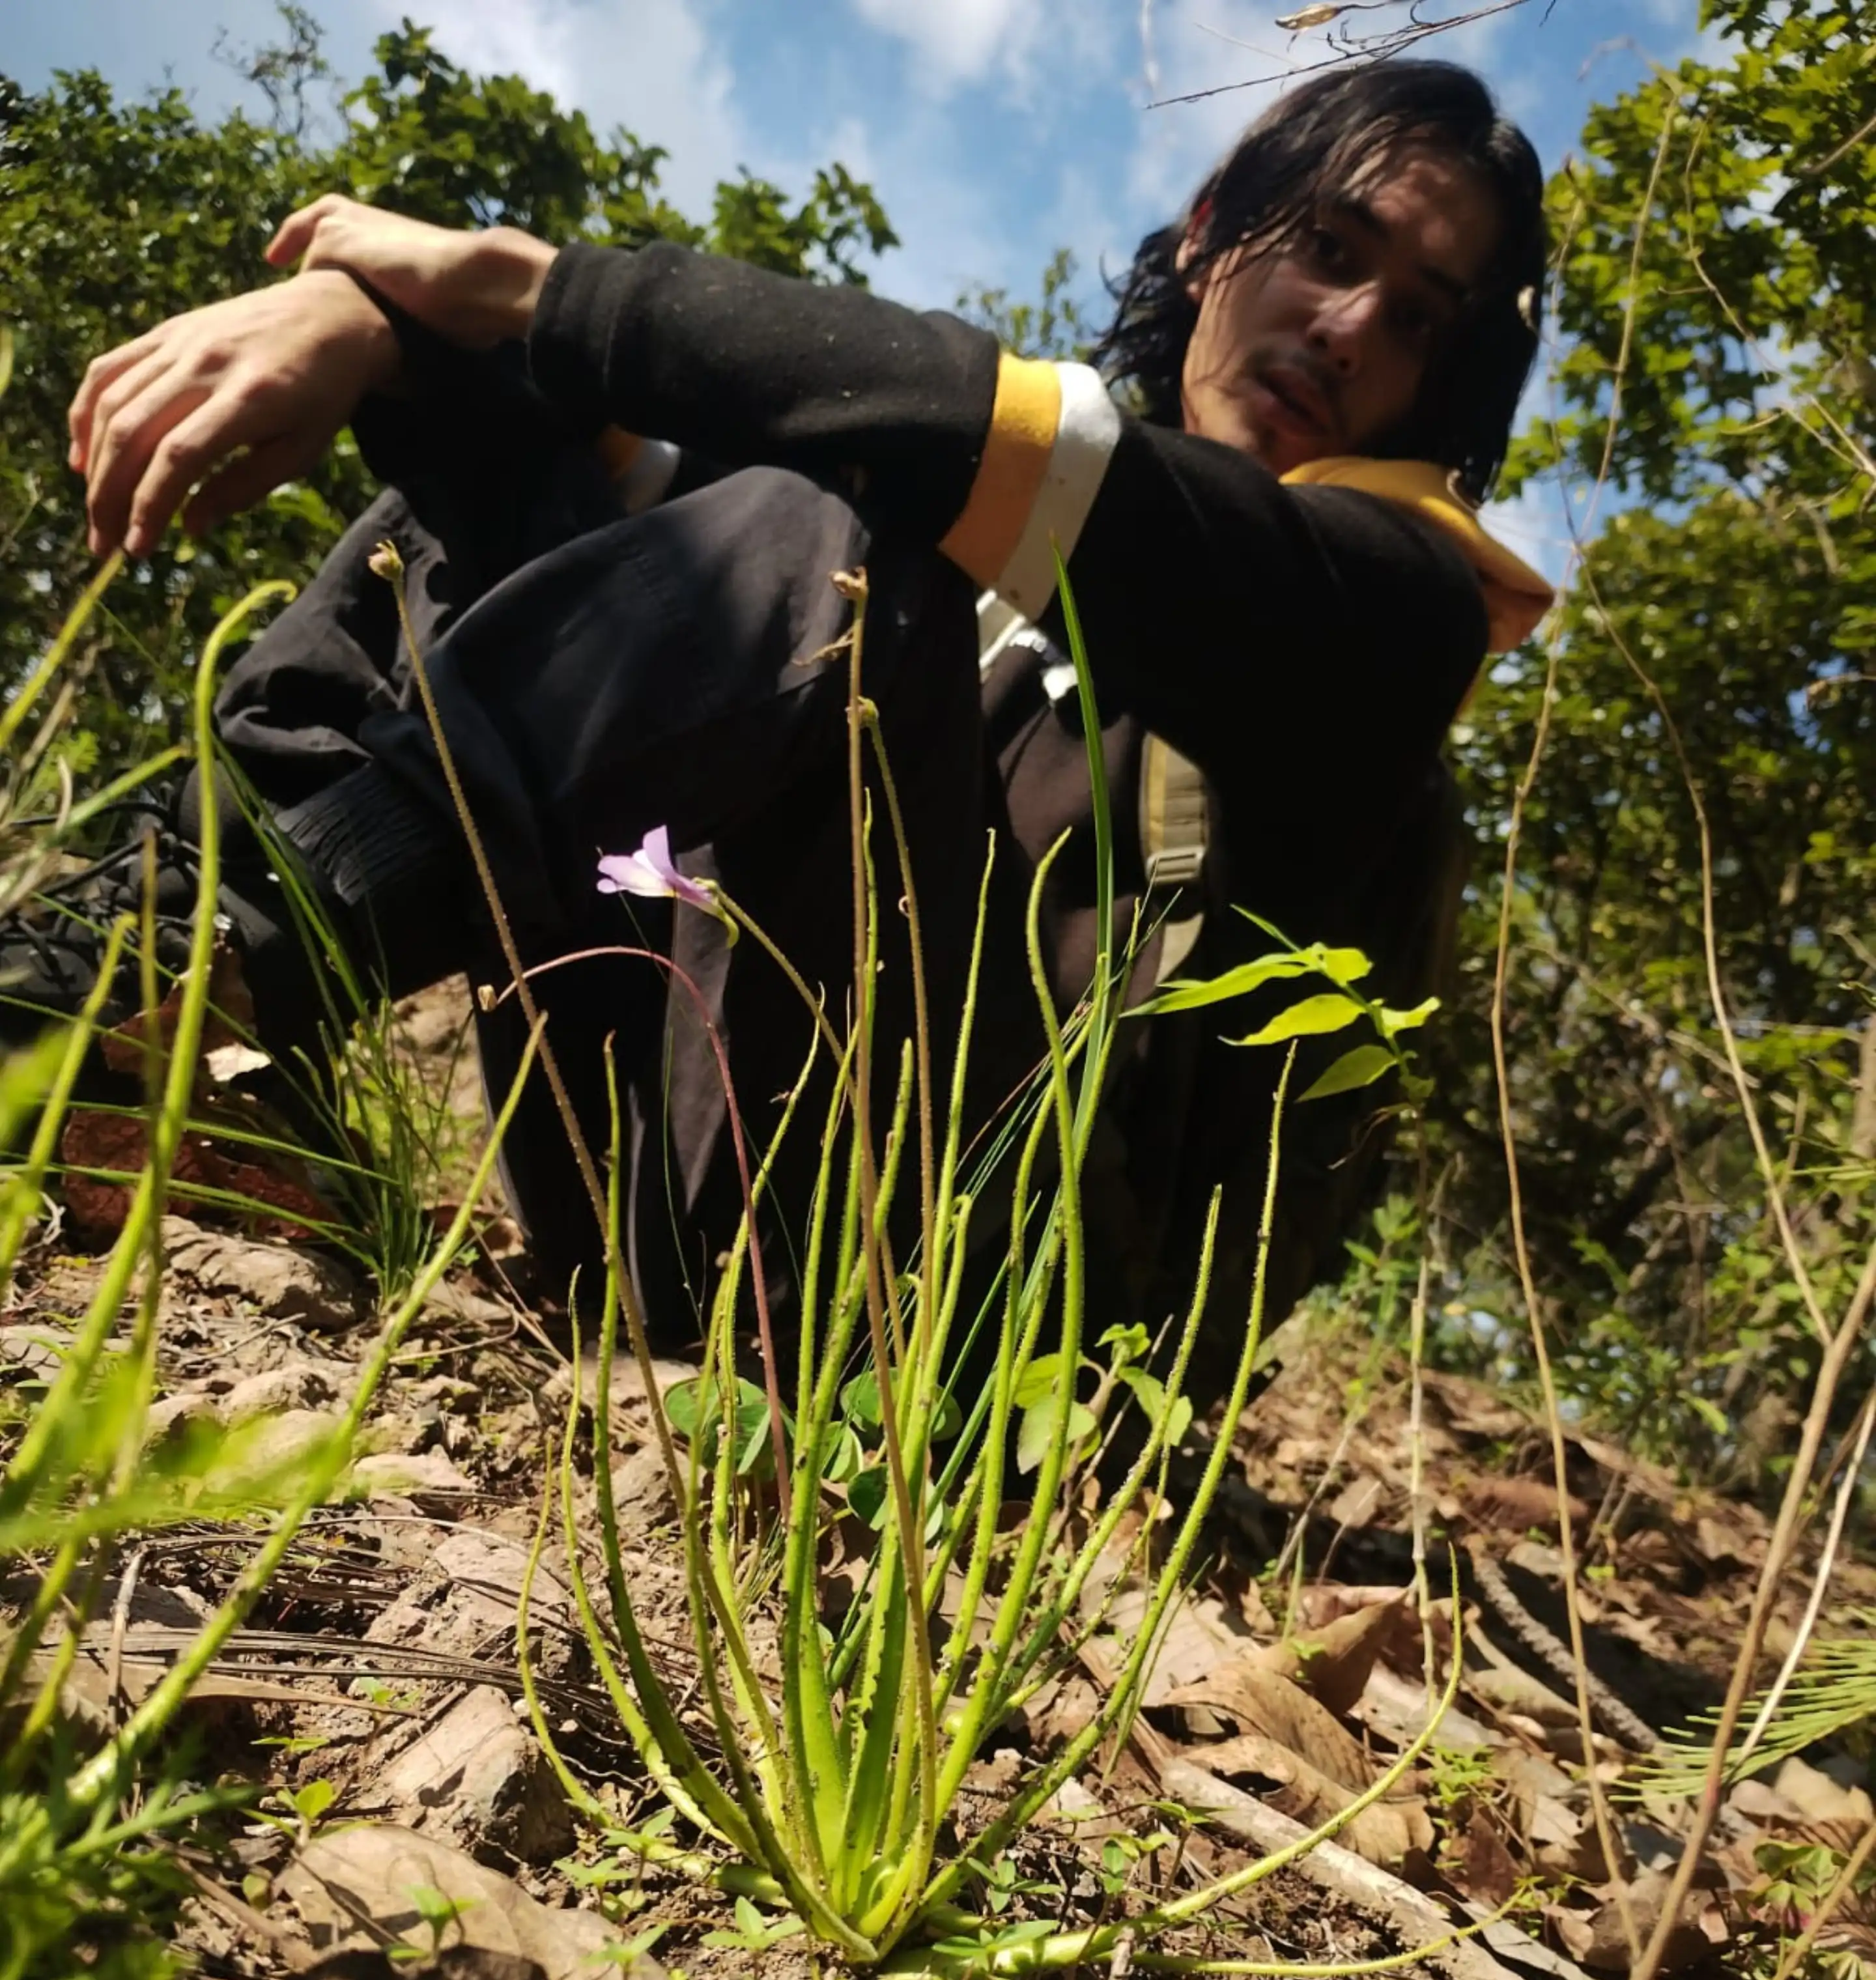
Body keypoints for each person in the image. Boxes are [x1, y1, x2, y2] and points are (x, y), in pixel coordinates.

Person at [5, 58, 1550, 1396]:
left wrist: (545, 292)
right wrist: (372, 329)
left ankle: (156, 986)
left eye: (1414, 318)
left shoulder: (1395, 608)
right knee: (567, 514)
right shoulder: (1011, 513)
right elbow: (625, 516)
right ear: (1213, 235)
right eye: (1329, 249)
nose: (1349, 327)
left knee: (841, 524)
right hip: (678, 1180)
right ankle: (144, 968)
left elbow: (1012, 465)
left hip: (976, 1321)